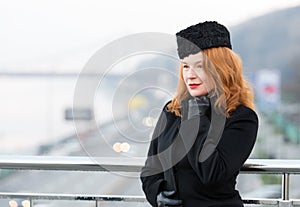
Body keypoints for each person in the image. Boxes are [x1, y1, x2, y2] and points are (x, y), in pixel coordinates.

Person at [140, 21, 259, 207]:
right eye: (186, 66)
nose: (190, 75)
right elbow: (150, 169)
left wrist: (196, 117)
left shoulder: (241, 118)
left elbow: (212, 174)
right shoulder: (172, 111)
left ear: (221, 69)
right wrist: (157, 196)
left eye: (200, 66)